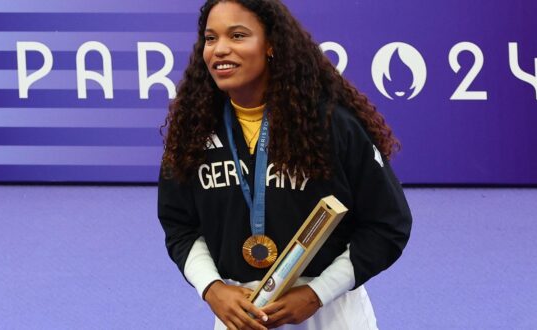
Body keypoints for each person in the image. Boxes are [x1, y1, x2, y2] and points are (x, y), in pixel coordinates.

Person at [157, 0, 412, 329]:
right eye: (210, 38)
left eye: (237, 36)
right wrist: (213, 289)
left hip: (329, 313)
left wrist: (317, 293)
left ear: (272, 45)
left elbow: (387, 225)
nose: (219, 49)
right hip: (239, 316)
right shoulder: (193, 131)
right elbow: (179, 225)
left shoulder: (330, 125)